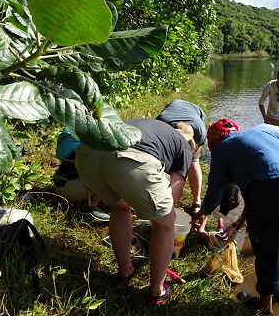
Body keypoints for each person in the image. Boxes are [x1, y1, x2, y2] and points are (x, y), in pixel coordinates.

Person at [193, 118, 279, 314]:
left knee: (268, 247)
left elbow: (214, 195)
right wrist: (239, 223)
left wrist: (199, 215)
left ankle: (265, 308)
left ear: (214, 142)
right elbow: (262, 179)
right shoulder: (260, 133)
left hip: (273, 187)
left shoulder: (222, 148)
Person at [75, 119, 195, 305]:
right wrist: (156, 214)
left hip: (87, 155)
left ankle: (124, 272)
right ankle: (157, 291)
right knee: (165, 223)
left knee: (121, 206)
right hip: (126, 159)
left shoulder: (155, 128)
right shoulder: (185, 148)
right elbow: (174, 196)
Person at [156, 99, 207, 216]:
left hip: (195, 112)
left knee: (193, 162)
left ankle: (197, 201)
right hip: (174, 106)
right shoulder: (160, 126)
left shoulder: (200, 132)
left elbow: (185, 164)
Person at [53, 128, 110, 221]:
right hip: (71, 189)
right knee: (108, 174)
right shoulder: (88, 149)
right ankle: (90, 206)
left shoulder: (76, 143)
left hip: (61, 184)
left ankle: (90, 199)